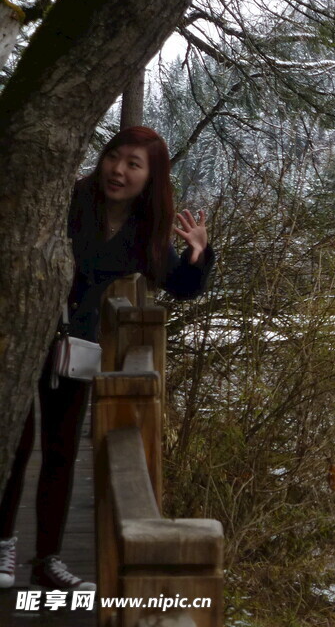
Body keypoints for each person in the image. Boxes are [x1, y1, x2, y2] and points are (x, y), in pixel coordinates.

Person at [0, 127, 216, 591]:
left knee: (59, 451)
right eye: (113, 158)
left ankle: (47, 561)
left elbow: (180, 287)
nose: (118, 170)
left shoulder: (144, 232)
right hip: (20, 333)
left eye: (133, 164)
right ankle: (2, 546)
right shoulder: (67, 200)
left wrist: (199, 255)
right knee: (16, 443)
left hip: (75, 346)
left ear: (151, 177)